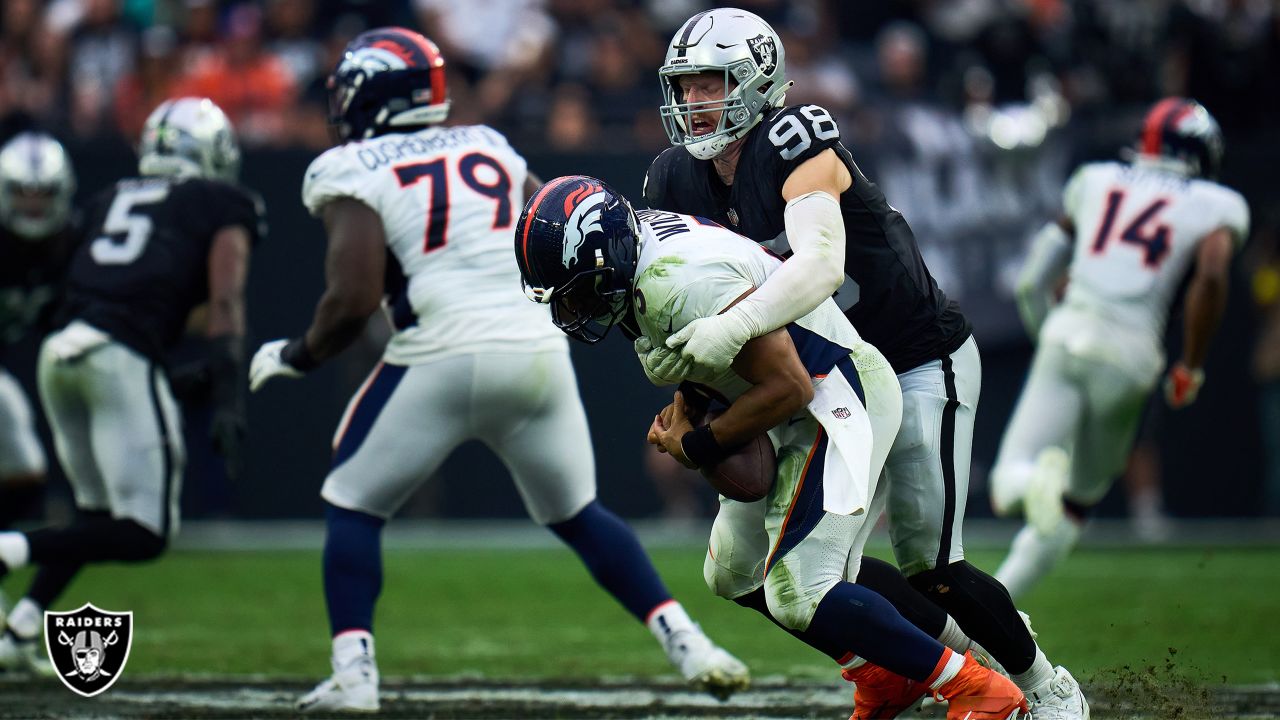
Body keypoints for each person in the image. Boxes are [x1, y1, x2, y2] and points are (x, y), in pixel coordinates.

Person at [246, 28, 747, 714]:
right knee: (579, 514)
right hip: (532, 352)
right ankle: (690, 644)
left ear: (368, 92)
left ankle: (354, 676)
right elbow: (564, 218)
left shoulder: (348, 166)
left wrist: (295, 354)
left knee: (352, 504)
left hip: (438, 356)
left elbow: (353, 297)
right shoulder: (485, 144)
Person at [639, 8, 1087, 718]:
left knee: (929, 559)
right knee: (766, 572)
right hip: (820, 380)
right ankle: (923, 663)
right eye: (685, 87)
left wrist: (732, 330)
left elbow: (819, 265)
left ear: (757, 83)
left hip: (910, 356)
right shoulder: (672, 180)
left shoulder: (796, 140)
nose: (696, 103)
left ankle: (1046, 689)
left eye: (711, 84)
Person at [515, 175, 1028, 720]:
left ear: (609, 253)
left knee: (800, 591)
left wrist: (699, 444)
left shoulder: (678, 283)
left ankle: (976, 686)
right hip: (794, 406)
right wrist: (690, 400)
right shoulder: (646, 264)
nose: (575, 307)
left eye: (578, 288)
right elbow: (730, 363)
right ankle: (877, 672)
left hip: (837, 398)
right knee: (732, 572)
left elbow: (790, 385)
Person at [0, 97, 258, 672]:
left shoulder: (109, 197)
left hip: (61, 354)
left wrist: (159, 378)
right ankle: (8, 549)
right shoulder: (222, 201)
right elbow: (223, 301)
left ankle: (18, 628)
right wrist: (227, 393)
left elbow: (102, 292)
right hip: (115, 353)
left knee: (95, 518)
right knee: (146, 532)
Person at [991, 97, 1248, 597]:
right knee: (1076, 504)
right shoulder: (1217, 204)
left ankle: (1032, 483)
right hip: (1133, 356)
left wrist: (1053, 335)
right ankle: (993, 612)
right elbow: (1213, 277)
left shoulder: (1096, 178)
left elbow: (1030, 282)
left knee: (1008, 484)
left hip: (1070, 331)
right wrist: (1191, 365)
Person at [0, 132, 78, 536]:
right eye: (22, 192)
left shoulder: (68, 246)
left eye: (43, 193)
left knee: (26, 472)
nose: (32, 203)